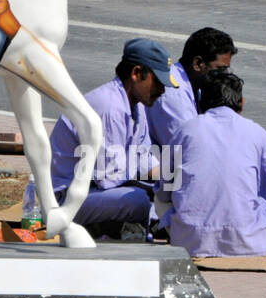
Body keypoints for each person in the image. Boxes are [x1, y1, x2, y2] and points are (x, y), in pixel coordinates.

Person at [157, 70, 266, 257]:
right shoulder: (257, 132)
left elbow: (164, 190)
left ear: (200, 101)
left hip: (190, 242)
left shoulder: (184, 130)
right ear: (241, 103)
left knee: (159, 200)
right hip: (248, 241)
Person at [48, 38, 177, 234]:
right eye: (158, 82)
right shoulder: (110, 107)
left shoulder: (137, 105)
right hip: (66, 200)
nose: (162, 90)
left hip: (95, 190)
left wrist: (173, 181)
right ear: (136, 73)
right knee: (138, 200)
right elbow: (110, 178)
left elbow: (143, 159)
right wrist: (157, 192)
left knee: (168, 195)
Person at [146, 27, 236, 147]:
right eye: (221, 69)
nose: (226, 75)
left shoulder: (197, 84)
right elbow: (189, 148)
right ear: (198, 64)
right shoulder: (173, 93)